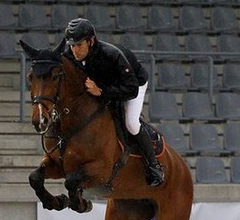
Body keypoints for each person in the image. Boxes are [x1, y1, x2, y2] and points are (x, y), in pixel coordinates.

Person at [62, 18, 165, 187]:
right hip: (104, 85)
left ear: (91, 41)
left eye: (79, 45)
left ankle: (154, 166)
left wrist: (101, 92)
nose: (75, 50)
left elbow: (130, 90)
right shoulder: (71, 53)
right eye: (72, 45)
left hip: (133, 84)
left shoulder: (112, 55)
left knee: (130, 123)